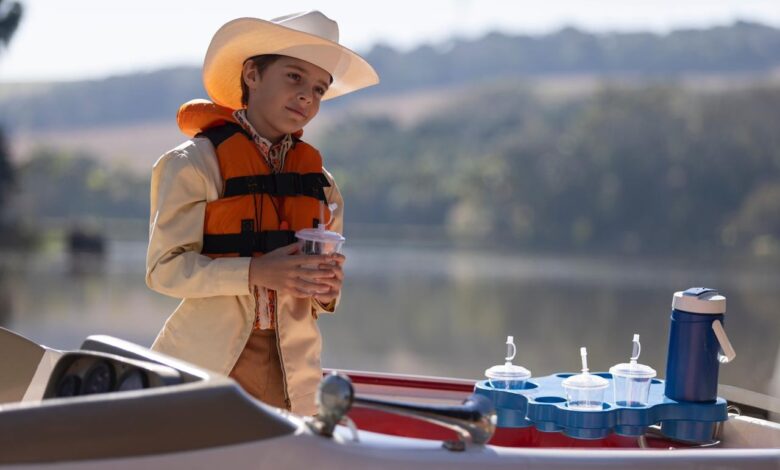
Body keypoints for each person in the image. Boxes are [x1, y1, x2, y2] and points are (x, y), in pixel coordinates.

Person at [145, 11, 379, 416]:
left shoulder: (322, 184)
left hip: (295, 377)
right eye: (294, 77)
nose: (308, 96)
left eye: (320, 89)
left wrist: (328, 289)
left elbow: (323, 296)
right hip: (204, 367)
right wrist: (255, 272)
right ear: (252, 74)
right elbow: (163, 270)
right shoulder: (192, 165)